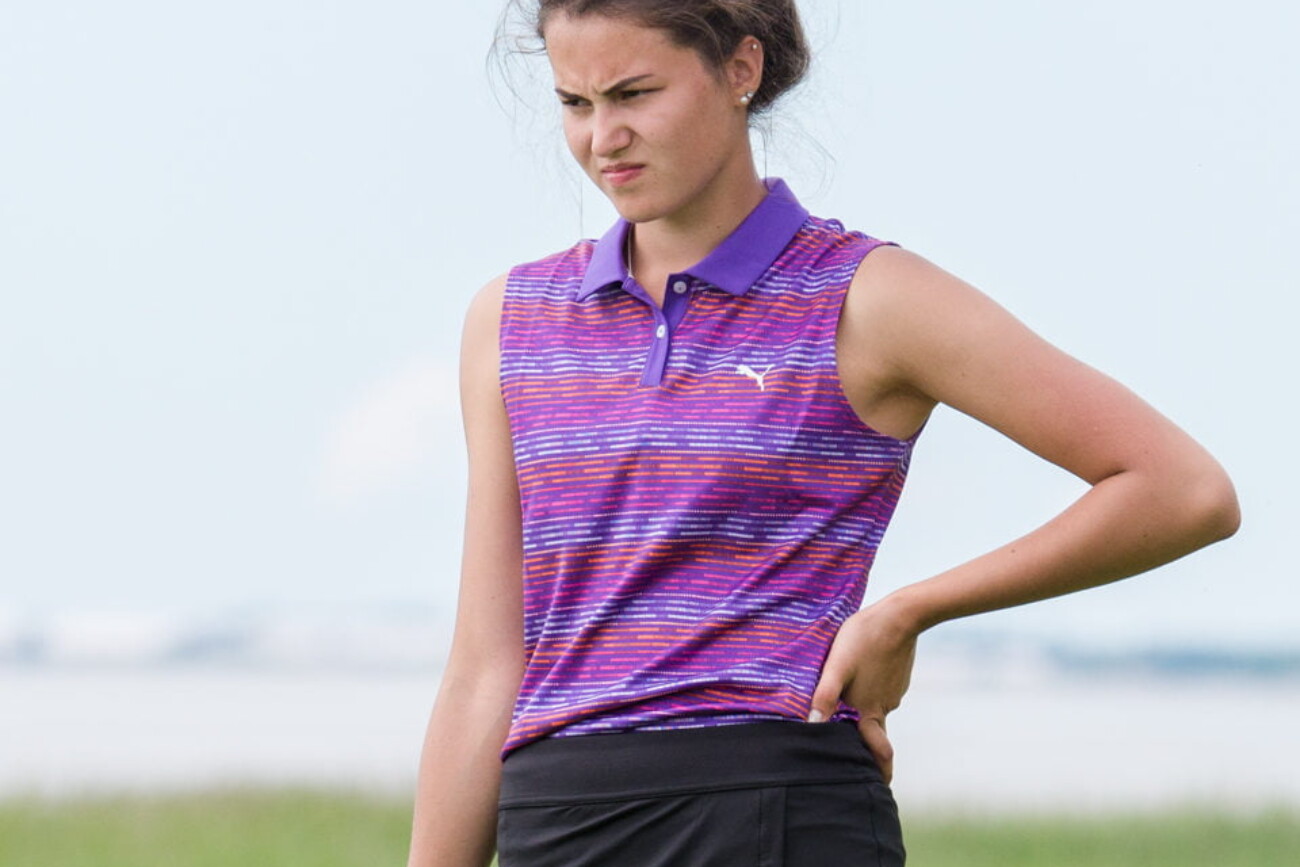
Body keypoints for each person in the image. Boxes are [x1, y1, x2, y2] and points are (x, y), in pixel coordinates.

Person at [406, 1, 1241, 865]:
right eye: (575, 103)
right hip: (557, 821)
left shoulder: (868, 297)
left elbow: (1182, 489)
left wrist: (909, 612)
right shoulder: (511, 319)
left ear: (741, 69)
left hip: (775, 811)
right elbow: (484, 668)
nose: (603, 138)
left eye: (635, 93)